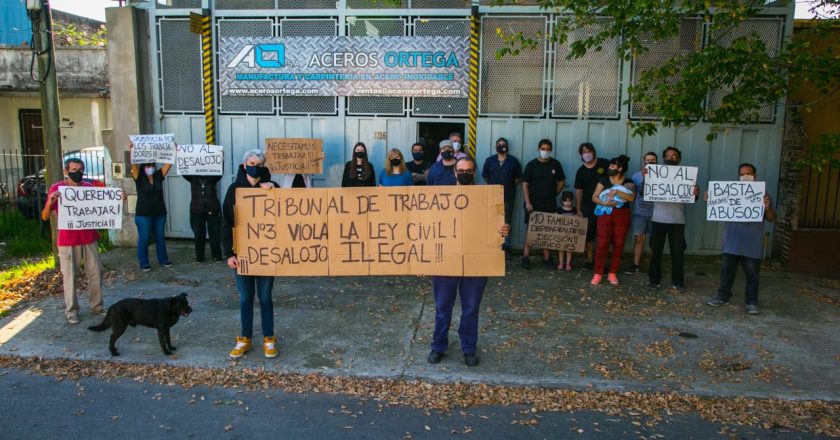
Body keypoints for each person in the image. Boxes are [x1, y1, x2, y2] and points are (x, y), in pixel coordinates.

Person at [427, 157, 509, 367]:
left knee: (471, 308)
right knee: (442, 308)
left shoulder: (487, 197)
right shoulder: (441, 197)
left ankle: (469, 349)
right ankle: (438, 346)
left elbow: (495, 227)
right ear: (454, 172)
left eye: (469, 170)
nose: (464, 173)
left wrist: (502, 230)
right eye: (460, 170)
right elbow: (427, 229)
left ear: (474, 173)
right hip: (445, 260)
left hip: (476, 261)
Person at [221, 149, 281, 359]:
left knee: (265, 297)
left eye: (259, 163)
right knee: (246, 298)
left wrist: (273, 188)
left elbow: (288, 213)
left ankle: (269, 339)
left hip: (266, 254)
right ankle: (244, 338)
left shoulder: (273, 188)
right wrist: (229, 253)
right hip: (242, 254)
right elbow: (226, 223)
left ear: (263, 167)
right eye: (251, 162)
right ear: (245, 164)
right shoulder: (234, 189)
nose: (255, 166)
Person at [706, 163, 776, 315]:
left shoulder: (763, 195)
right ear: (739, 176)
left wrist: (768, 208)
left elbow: (772, 218)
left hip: (752, 244)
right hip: (731, 242)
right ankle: (723, 296)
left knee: (752, 275)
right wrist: (711, 200)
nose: (745, 177)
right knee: (726, 272)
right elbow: (717, 208)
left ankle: (751, 302)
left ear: (755, 176)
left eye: (749, 174)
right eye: (742, 174)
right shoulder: (730, 192)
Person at [41, 158, 104, 324]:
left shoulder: (89, 188)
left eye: (81, 169)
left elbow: (101, 209)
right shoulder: (57, 189)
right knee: (70, 276)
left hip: (89, 238)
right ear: (66, 171)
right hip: (68, 241)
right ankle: (71, 311)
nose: (78, 173)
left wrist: (117, 201)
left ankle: (96, 305)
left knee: (95, 272)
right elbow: (45, 216)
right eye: (74, 169)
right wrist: (50, 203)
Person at [647, 146, 699, 292]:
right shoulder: (655, 174)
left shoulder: (686, 175)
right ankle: (654, 281)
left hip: (677, 220)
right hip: (658, 219)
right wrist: (647, 179)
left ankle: (678, 282)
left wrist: (696, 193)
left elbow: (693, 199)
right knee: (656, 252)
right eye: (668, 156)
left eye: (674, 156)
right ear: (664, 158)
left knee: (678, 253)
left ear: (679, 158)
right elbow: (643, 193)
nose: (671, 158)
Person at [590, 155, 636, 286]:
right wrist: (605, 204)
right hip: (605, 213)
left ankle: (612, 273)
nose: (609, 167)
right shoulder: (604, 180)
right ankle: (598, 273)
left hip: (622, 215)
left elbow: (631, 198)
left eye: (612, 166)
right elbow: (594, 197)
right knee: (602, 244)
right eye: (610, 165)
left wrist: (615, 191)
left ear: (620, 168)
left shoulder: (629, 182)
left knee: (619, 244)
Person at [521, 139, 565, 269]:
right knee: (530, 231)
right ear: (538, 149)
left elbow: (562, 182)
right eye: (543, 148)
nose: (545, 151)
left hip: (549, 204)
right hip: (533, 204)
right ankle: (525, 257)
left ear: (551, 150)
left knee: (547, 232)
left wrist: (553, 194)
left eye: (548, 149)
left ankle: (547, 258)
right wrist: (528, 202)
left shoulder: (556, 164)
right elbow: (525, 185)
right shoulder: (531, 165)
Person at [130, 144, 173, 272]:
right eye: (148, 166)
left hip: (159, 213)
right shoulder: (138, 177)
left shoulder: (159, 175)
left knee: (160, 237)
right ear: (144, 167)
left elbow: (169, 163)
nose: (150, 168)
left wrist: (173, 150)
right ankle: (144, 262)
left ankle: (163, 259)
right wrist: (133, 151)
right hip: (143, 214)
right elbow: (133, 165)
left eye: (152, 165)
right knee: (144, 238)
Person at [481, 137, 522, 256]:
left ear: (507, 146)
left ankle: (506, 247)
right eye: (499, 144)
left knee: (507, 222)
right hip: (493, 196)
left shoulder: (513, 161)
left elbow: (518, 177)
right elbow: (485, 176)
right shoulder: (489, 160)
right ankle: (494, 246)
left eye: (503, 144)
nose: (501, 146)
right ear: (495, 146)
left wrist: (507, 184)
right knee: (492, 220)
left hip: (508, 196)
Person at [574, 142, 610, 269]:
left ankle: (602, 261)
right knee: (589, 235)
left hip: (606, 205)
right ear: (581, 155)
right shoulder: (581, 171)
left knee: (603, 234)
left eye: (588, 151)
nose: (586, 154)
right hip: (588, 206)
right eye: (584, 152)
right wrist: (578, 209)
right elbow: (578, 192)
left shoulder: (605, 164)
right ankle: (590, 260)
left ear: (593, 152)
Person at [626, 152, 658, 274]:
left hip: (656, 212)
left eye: (653, 160)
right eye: (648, 160)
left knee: (655, 240)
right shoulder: (636, 175)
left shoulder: (663, 176)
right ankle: (636, 264)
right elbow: (636, 193)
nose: (650, 162)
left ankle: (655, 264)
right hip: (640, 212)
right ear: (643, 162)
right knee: (639, 238)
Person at [183, 174, 222, 263]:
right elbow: (183, 171)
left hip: (213, 207)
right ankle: (199, 257)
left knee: (215, 233)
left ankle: (217, 256)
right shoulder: (192, 176)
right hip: (196, 209)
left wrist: (221, 160)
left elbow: (220, 171)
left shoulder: (213, 176)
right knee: (198, 234)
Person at [556, 191, 577, 271]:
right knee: (561, 248)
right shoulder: (559, 210)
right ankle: (561, 263)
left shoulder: (574, 210)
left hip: (571, 235)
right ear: (562, 201)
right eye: (565, 201)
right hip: (561, 234)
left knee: (569, 249)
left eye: (569, 201)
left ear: (572, 201)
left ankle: (568, 264)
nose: (567, 203)